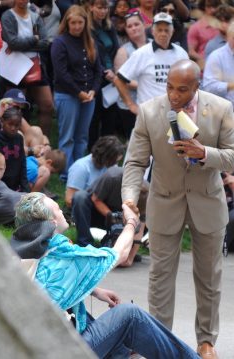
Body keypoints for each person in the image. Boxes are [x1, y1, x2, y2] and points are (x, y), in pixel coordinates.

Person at [121, 59, 234, 359]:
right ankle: (158, 340)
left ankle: (206, 342)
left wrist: (205, 153)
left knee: (209, 277)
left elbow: (233, 157)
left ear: (197, 86)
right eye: (169, 87)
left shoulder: (222, 109)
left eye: (182, 89)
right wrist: (130, 197)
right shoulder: (148, 112)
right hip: (164, 201)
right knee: (160, 277)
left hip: (207, 202)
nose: (173, 95)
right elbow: (135, 161)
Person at [11, 191, 200, 359]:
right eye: (58, 209)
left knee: (96, 322)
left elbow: (56, 288)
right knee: (129, 314)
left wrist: (94, 290)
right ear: (52, 224)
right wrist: (132, 222)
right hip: (64, 352)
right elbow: (120, 253)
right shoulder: (61, 254)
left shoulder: (29, 252)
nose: (62, 211)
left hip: (41, 348)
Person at [51, 5, 102, 182]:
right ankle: (66, 173)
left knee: (82, 136)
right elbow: (61, 73)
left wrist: (93, 90)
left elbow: (98, 69)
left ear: (85, 23)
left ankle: (79, 172)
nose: (77, 26)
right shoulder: (60, 42)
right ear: (67, 22)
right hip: (68, 95)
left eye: (80, 22)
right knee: (67, 137)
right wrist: (79, 92)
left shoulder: (90, 41)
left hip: (88, 96)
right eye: (73, 23)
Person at [114, 12, 188, 116]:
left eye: (166, 30)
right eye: (159, 30)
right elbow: (118, 80)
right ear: (153, 31)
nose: (163, 33)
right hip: (149, 114)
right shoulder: (141, 53)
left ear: (172, 31)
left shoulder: (181, 53)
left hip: (175, 113)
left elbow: (189, 81)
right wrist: (131, 105)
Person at [1, 0, 53, 136]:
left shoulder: (35, 16)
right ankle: (18, 141)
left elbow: (45, 43)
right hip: (16, 66)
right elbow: (12, 42)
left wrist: (23, 44)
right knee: (15, 108)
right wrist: (34, 39)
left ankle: (43, 141)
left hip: (36, 65)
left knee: (47, 105)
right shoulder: (8, 16)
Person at [87, 0, 120, 149]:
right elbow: (91, 53)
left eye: (105, 8)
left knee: (110, 115)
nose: (102, 11)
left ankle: (107, 150)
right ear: (92, 7)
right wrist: (102, 71)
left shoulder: (109, 26)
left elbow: (116, 49)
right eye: (99, 7)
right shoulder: (87, 28)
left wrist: (114, 70)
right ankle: (92, 149)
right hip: (95, 76)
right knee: (95, 115)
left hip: (111, 76)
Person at [113, 11, 147, 138]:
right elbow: (121, 79)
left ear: (144, 25)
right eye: (130, 26)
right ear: (126, 30)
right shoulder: (123, 51)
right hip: (130, 104)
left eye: (137, 24)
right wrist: (146, 84)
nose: (134, 28)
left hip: (150, 101)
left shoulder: (154, 45)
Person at [0, 106, 30, 192]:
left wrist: (25, 189)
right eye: (10, 124)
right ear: (2, 121)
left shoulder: (19, 138)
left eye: (16, 125)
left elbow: (22, 163)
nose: (13, 128)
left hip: (15, 185)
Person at [203, 21, 234, 109]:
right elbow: (208, 87)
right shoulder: (216, 56)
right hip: (224, 110)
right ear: (228, 37)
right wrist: (231, 85)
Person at [187, 0, 221, 71]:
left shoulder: (223, 25)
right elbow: (191, 51)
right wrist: (204, 59)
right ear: (203, 7)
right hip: (205, 69)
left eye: (215, 6)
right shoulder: (196, 27)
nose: (212, 9)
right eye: (208, 6)